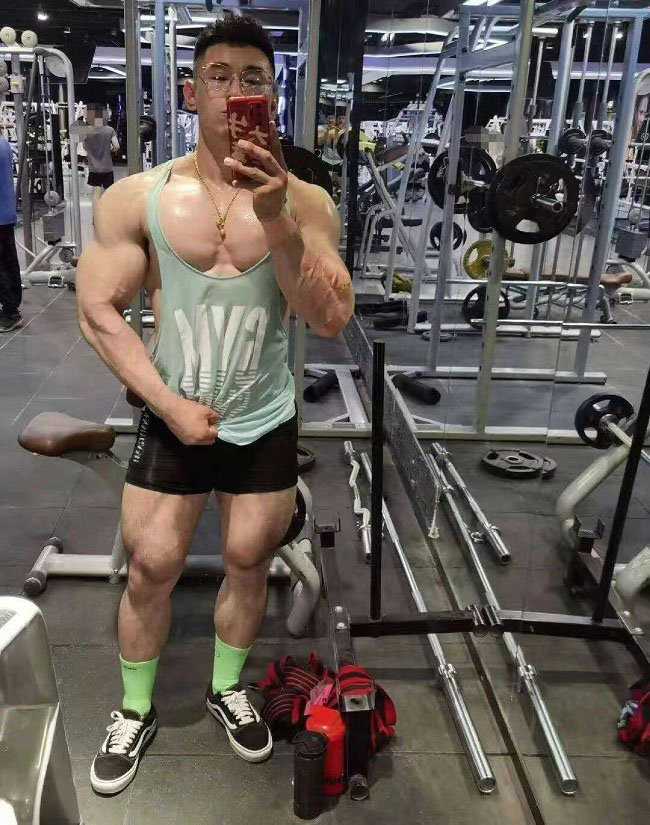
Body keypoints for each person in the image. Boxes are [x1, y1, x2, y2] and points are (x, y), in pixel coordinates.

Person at [75, 13, 353, 796]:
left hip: (264, 415)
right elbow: (97, 311)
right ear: (193, 93)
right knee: (151, 566)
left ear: (273, 95)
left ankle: (228, 687)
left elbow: (330, 316)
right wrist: (165, 403)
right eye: (220, 77)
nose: (236, 92)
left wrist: (276, 217)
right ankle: (136, 708)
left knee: (248, 560)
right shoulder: (139, 198)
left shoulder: (306, 202)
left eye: (253, 79)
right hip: (174, 413)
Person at [0, 130, 22, 332]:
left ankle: (10, 313)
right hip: (5, 214)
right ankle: (10, 310)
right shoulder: (3, 143)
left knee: (4, 268)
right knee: (8, 264)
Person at [83, 104, 119, 219]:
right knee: (108, 193)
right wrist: (111, 149)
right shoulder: (109, 130)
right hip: (107, 167)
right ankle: (108, 217)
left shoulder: (86, 131)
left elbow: (84, 146)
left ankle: (96, 217)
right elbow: (117, 146)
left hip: (94, 167)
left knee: (95, 193)